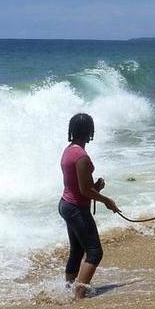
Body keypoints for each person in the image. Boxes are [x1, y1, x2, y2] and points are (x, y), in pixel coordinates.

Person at [58, 113, 121, 299]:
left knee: (77, 251)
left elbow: (78, 186)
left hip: (66, 204)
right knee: (94, 252)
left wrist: (95, 188)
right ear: (90, 132)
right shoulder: (81, 156)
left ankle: (69, 289)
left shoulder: (69, 150)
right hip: (76, 208)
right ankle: (79, 295)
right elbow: (85, 191)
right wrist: (107, 200)